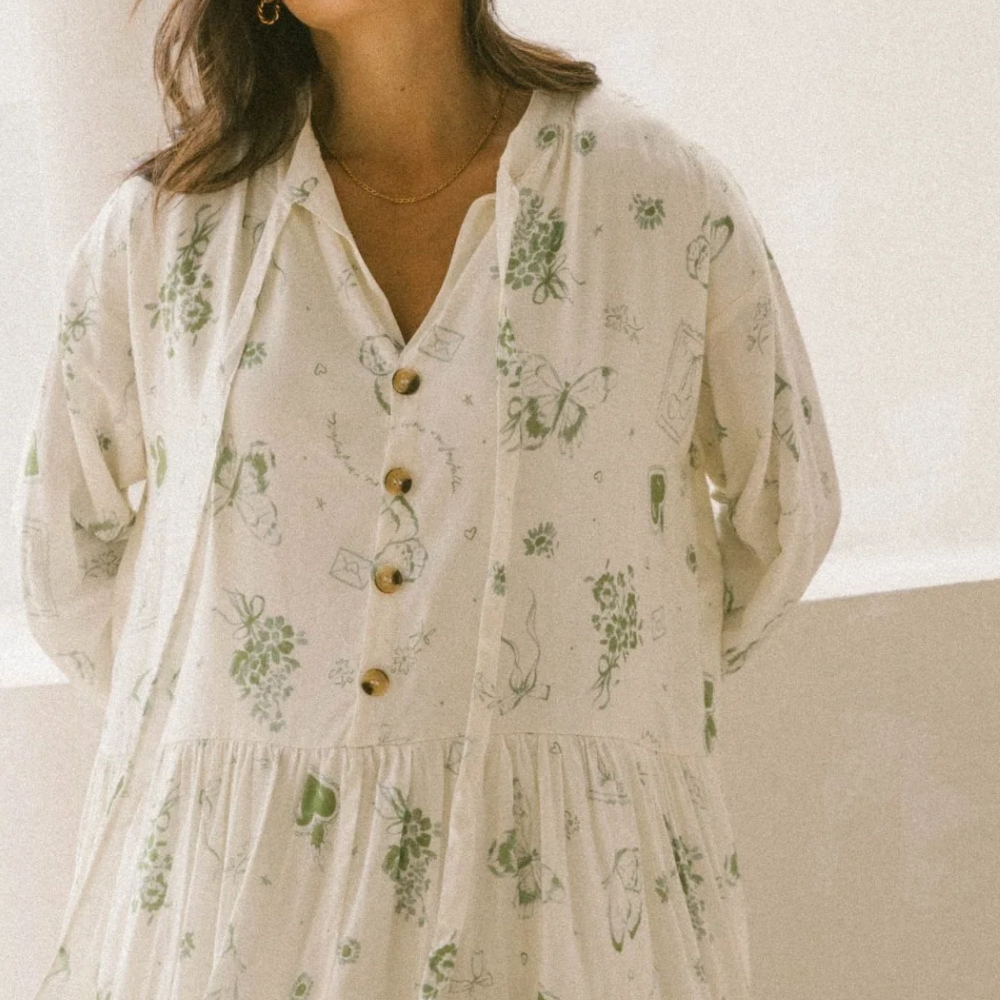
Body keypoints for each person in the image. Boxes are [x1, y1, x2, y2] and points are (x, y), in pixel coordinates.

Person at [10, 0, 841, 997]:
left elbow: (786, 505)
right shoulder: (167, 232)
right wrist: (244, 716)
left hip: (562, 910)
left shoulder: (655, 200)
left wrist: (605, 696)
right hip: (237, 917)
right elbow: (62, 555)